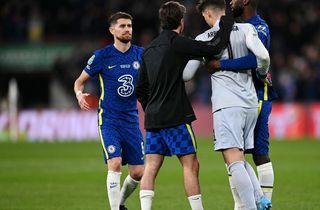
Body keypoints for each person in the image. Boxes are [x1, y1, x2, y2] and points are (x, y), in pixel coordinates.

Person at [135, 1, 234, 210]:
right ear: (181, 21)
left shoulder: (148, 50)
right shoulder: (179, 43)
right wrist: (227, 20)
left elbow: (140, 88)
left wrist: (151, 107)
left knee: (151, 166)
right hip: (175, 117)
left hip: (153, 118)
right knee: (190, 165)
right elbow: (215, 47)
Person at [183, 0, 271, 209]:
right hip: (250, 103)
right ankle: (261, 199)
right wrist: (261, 72)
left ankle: (250, 207)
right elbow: (263, 56)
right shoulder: (247, 28)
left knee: (233, 160)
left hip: (227, 105)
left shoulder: (204, 38)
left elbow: (186, 75)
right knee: (239, 156)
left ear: (207, 14)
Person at [206, 0, 278, 208]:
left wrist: (220, 64)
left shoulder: (259, 27)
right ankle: (241, 205)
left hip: (257, 95)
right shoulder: (231, 26)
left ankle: (264, 204)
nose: (230, 2)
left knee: (259, 154)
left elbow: (256, 59)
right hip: (235, 97)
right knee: (233, 155)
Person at [73, 12, 144, 210]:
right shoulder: (101, 56)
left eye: (129, 26)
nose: (127, 29)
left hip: (131, 120)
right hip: (109, 119)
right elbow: (79, 82)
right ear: (112, 30)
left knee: (138, 172)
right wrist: (80, 94)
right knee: (114, 163)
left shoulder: (141, 54)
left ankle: (120, 203)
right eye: (122, 26)